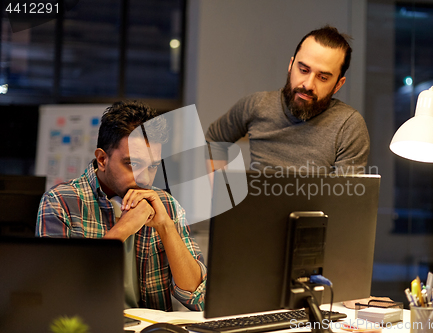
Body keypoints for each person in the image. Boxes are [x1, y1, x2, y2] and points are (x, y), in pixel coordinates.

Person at [36, 101, 206, 311]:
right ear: (102, 159)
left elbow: (200, 298)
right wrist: (123, 229)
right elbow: (56, 296)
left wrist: (166, 227)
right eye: (132, 164)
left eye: (152, 166)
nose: (144, 179)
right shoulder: (60, 202)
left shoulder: (166, 205)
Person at [205, 25, 370, 175]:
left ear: (338, 85)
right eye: (303, 70)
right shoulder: (257, 106)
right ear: (291, 65)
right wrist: (222, 196)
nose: (308, 84)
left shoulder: (348, 126)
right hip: (258, 208)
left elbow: (345, 199)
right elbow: (215, 138)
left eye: (323, 77)